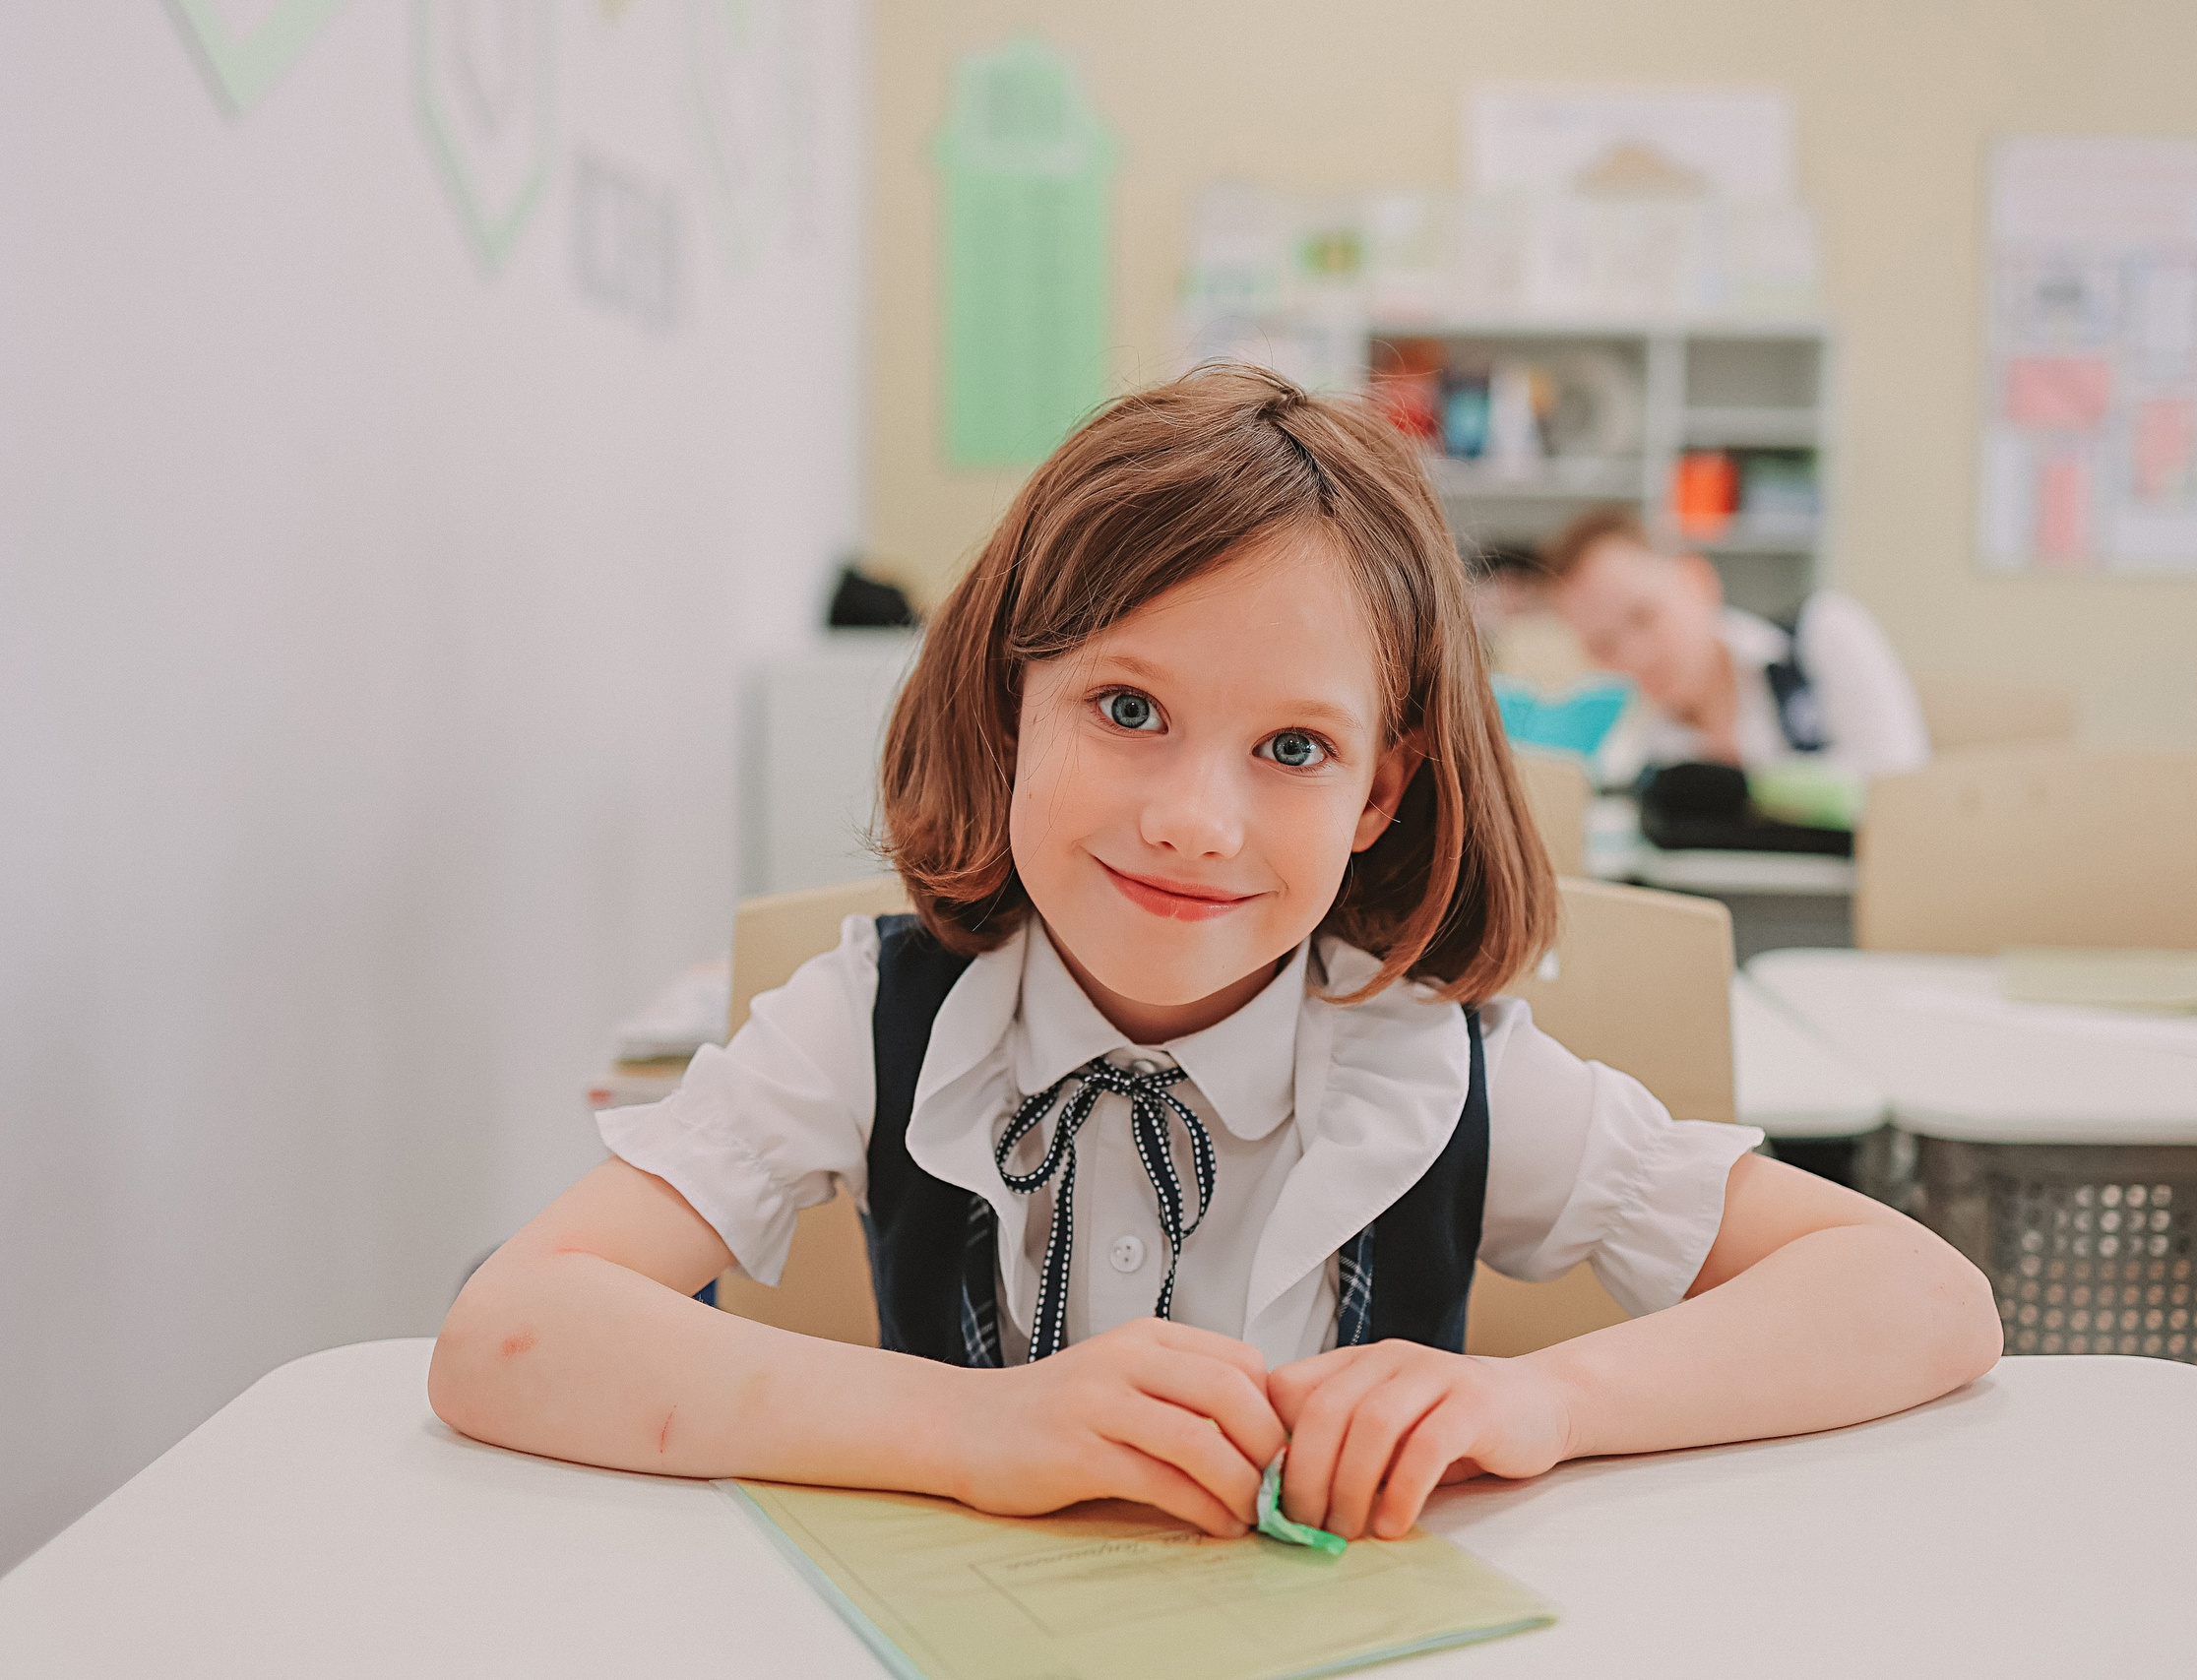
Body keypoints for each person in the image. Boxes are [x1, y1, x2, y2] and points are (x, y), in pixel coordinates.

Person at [429, 366, 1998, 1545]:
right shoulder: (872, 1021)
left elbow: (1920, 1296)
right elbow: (511, 1331)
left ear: (1381, 789)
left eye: (1294, 746)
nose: (1194, 818)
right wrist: (973, 1426)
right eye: (1128, 709)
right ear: (1007, 704)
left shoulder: (1435, 1065)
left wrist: (1549, 1398)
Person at [1539, 509, 1930, 783]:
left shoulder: (1822, 639)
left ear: (1698, 580)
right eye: (1603, 647)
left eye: (1644, 616)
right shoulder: (1635, 754)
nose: (1633, 656)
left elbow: (1900, 795)